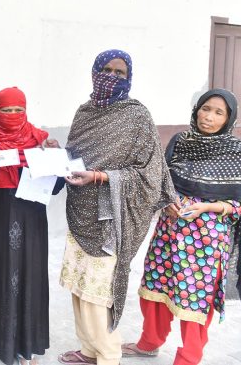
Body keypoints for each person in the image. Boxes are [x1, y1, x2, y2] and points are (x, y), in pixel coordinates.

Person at [57, 49, 176, 365]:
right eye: (105, 69)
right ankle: (88, 350)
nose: (111, 76)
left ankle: (108, 356)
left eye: (119, 72)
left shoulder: (136, 116)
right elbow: (73, 155)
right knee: (79, 286)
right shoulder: (85, 112)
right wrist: (56, 153)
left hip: (113, 217)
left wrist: (100, 176)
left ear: (129, 77)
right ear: (94, 72)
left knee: (98, 294)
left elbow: (150, 173)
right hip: (80, 211)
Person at [122, 88, 241, 365]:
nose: (209, 117)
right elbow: (160, 180)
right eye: (206, 109)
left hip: (206, 241)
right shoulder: (180, 141)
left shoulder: (236, 152)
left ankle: (189, 358)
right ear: (197, 109)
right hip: (169, 230)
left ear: (228, 119)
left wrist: (207, 207)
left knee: (195, 299)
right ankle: (149, 343)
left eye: (219, 113)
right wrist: (166, 201)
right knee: (156, 287)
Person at [0, 87, 64, 365]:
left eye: (18, 110)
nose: (12, 116)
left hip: (32, 215)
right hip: (0, 213)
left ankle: (26, 345)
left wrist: (55, 158)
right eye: (6, 110)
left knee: (29, 273)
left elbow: (57, 186)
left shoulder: (40, 140)